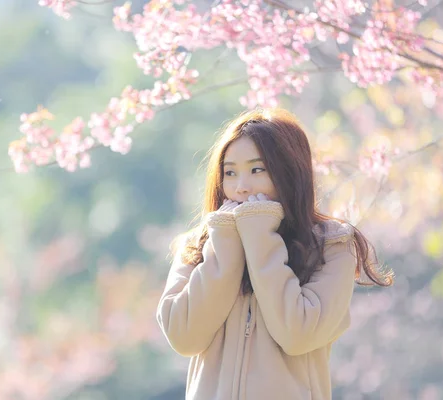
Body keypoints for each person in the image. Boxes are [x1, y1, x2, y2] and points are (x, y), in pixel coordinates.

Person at [155, 108, 393, 400]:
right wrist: (225, 247)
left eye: (257, 170)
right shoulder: (198, 246)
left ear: (290, 172)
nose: (241, 187)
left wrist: (259, 236)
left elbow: (298, 333)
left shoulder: (332, 245)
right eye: (230, 173)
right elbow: (184, 337)